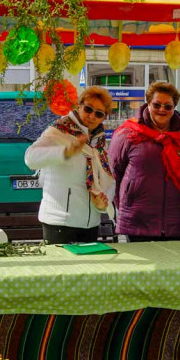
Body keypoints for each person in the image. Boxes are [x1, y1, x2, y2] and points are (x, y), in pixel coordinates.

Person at [109, 81, 180, 242]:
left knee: (172, 267)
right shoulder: (128, 134)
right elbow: (113, 173)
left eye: (168, 106)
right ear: (148, 103)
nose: (162, 109)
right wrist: (126, 202)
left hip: (174, 220)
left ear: (174, 108)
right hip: (137, 219)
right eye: (157, 104)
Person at [24, 86, 115, 243]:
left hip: (90, 224)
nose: (92, 116)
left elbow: (107, 180)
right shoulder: (58, 132)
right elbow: (30, 158)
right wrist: (65, 152)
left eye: (99, 114)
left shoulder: (99, 143)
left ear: (103, 117)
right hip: (59, 222)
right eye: (88, 109)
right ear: (79, 106)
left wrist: (101, 205)